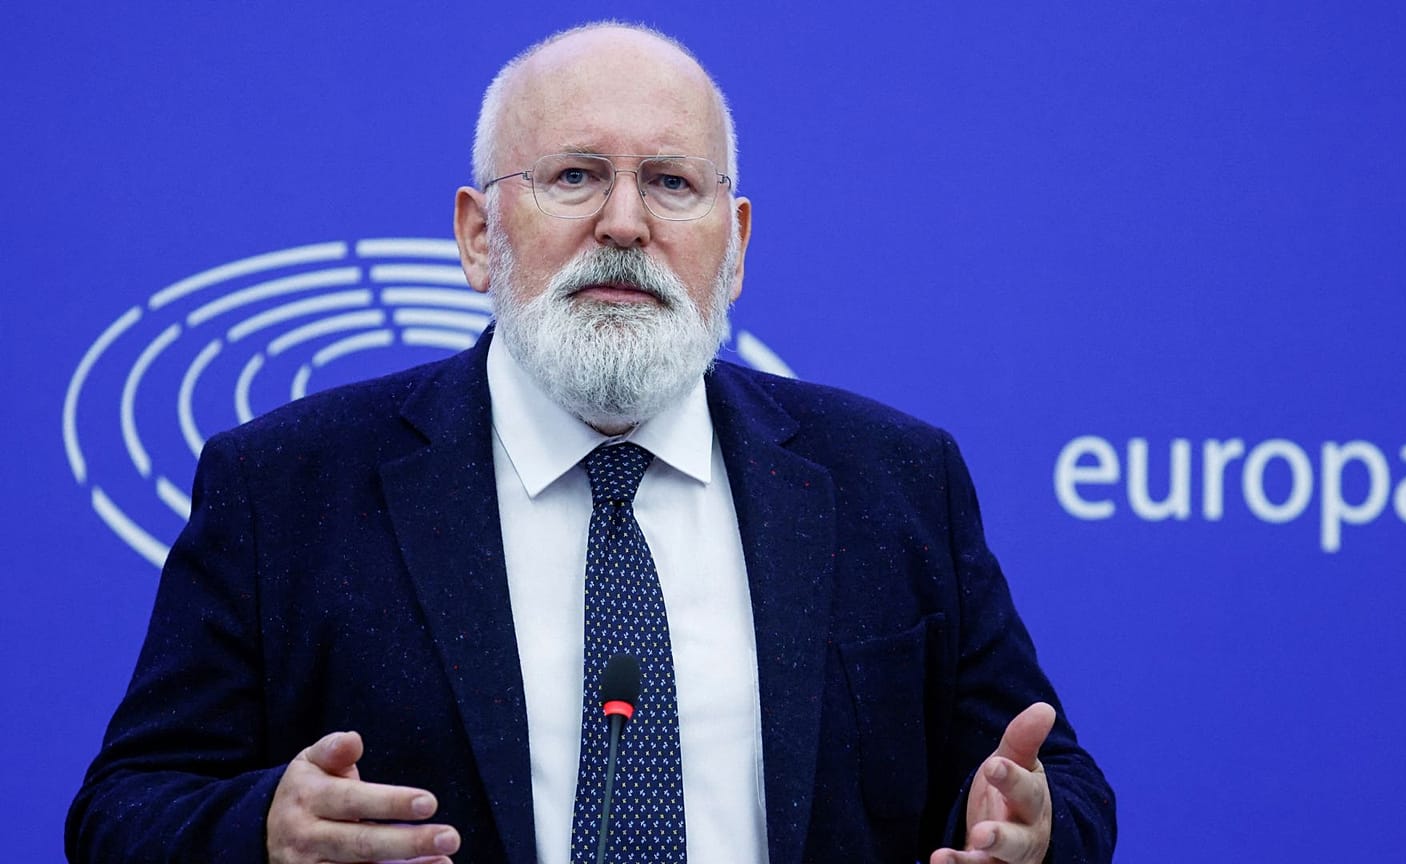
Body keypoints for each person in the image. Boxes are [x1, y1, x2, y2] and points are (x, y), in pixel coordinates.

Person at [66, 22, 1115, 864]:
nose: (624, 221)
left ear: (735, 245)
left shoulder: (894, 480)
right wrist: (259, 832)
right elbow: (123, 812)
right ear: (479, 236)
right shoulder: (285, 486)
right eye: (573, 176)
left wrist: (1032, 829)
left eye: (671, 182)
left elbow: (1060, 786)